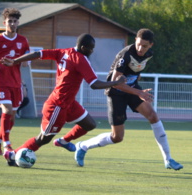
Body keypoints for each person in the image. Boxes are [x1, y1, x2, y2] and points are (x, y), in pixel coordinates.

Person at [55, 29, 183, 170]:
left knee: (153, 116)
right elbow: (116, 82)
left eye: (145, 46)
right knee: (117, 137)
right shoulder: (125, 55)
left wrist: (136, 85)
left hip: (133, 89)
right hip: (116, 92)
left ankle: (168, 159)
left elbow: (136, 70)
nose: (141, 49)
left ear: (151, 45)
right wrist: (138, 92)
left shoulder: (149, 55)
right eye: (139, 44)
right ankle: (83, 146)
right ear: (135, 40)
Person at [0, 33, 126, 166]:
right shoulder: (81, 60)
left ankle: (63, 141)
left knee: (89, 124)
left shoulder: (62, 52)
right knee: (43, 139)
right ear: (83, 47)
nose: (92, 51)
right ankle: (13, 154)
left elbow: (38, 54)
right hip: (57, 105)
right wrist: (116, 82)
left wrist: (15, 61)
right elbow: (94, 84)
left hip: (69, 103)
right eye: (90, 48)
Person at [0, 8, 30, 155]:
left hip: (16, 83)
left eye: (15, 21)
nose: (12, 23)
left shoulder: (22, 41)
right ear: (4, 23)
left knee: (12, 117)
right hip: (1, 82)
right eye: (10, 21)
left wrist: (27, 60)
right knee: (8, 110)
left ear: (18, 23)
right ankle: (6, 144)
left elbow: (28, 55)